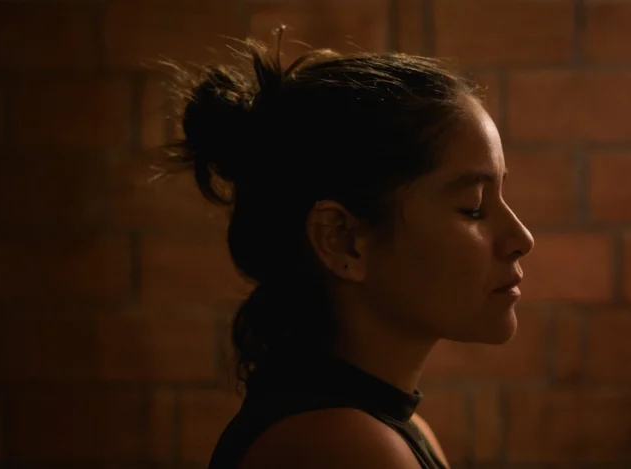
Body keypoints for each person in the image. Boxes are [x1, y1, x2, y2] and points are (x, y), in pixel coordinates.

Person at [155, 29, 535, 469]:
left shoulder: (391, 429)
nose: (522, 238)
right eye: (473, 207)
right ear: (342, 239)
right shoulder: (342, 446)